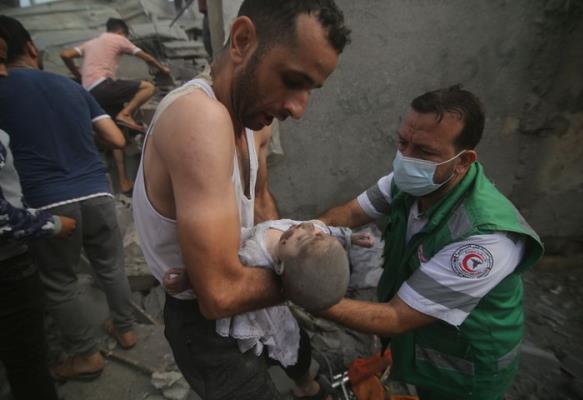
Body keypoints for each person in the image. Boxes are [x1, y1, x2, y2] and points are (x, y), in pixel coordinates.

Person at [132, 0, 351, 398]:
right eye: (291, 79)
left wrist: (285, 261)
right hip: (203, 325)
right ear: (242, 40)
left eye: (310, 90)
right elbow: (218, 295)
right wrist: (314, 282)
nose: (298, 109)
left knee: (303, 364)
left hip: (253, 285)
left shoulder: (255, 122)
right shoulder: (199, 117)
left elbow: (264, 209)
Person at [317, 86, 545, 400]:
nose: (405, 159)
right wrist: (306, 231)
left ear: (463, 161)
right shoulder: (410, 183)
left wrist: (306, 295)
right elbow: (351, 212)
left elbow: (397, 317)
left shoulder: (484, 240)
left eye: (424, 152)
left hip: (464, 370)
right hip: (425, 341)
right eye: (402, 143)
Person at [0, 15, 138, 381]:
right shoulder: (73, 88)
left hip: (47, 203)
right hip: (96, 191)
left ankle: (85, 355)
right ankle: (126, 330)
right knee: (110, 265)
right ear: (31, 47)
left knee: (59, 281)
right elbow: (116, 138)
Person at [163, 219, 372, 398]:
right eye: (313, 233)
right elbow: (324, 230)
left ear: (280, 267)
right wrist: (347, 236)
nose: (304, 228)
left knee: (297, 351)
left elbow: (215, 277)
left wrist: (187, 280)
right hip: (265, 320)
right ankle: (308, 386)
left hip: (263, 319)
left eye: (300, 238)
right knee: (278, 351)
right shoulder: (305, 240)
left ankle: (306, 387)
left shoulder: (251, 258)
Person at [0, 29, 76, 400]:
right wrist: (50, 223)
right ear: (32, 48)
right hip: (10, 262)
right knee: (28, 361)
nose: (3, 73)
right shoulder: (65, 89)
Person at [60, 17, 170, 194]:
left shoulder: (92, 43)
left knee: (116, 136)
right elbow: (145, 56)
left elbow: (65, 55)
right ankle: (126, 114)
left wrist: (78, 74)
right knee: (148, 87)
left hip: (89, 91)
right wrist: (162, 69)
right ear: (121, 32)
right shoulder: (118, 38)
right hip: (103, 85)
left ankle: (123, 181)